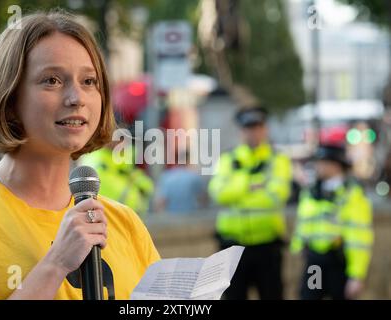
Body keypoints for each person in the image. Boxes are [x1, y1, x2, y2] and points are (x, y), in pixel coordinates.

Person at [0, 11, 160, 300]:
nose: (77, 98)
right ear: (8, 99)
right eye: (52, 80)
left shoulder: (126, 223)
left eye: (89, 81)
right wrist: (56, 263)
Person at [208, 106, 292, 300]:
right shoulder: (228, 159)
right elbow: (218, 193)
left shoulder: (278, 159)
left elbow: (276, 196)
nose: (254, 132)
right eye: (249, 127)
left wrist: (237, 189)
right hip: (232, 246)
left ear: (265, 129)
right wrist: (251, 183)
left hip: (267, 245)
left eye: (258, 127)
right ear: (242, 131)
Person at [290, 144, 373, 300]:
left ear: (335, 165)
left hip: (339, 263)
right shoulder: (312, 191)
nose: (318, 166)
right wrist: (299, 246)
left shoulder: (352, 195)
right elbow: (304, 222)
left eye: (322, 162)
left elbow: (359, 238)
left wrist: (356, 275)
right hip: (315, 262)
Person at [79, 140, 154, 217]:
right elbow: (109, 188)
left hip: (128, 216)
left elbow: (147, 185)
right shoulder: (98, 160)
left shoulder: (121, 158)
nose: (122, 142)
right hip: (109, 215)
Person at [154, 150, 208, 214]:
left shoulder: (166, 177)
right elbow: (204, 200)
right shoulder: (194, 177)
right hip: (191, 217)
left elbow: (160, 202)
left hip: (171, 218)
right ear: (188, 160)